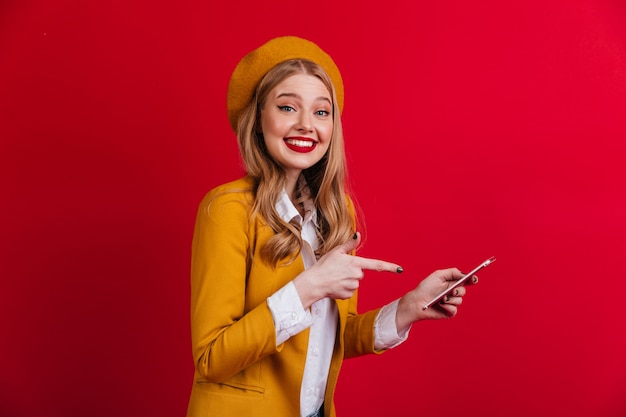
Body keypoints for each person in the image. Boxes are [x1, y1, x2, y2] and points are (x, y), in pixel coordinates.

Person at [186, 36, 478, 417]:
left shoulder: (336, 214)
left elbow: (328, 338)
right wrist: (307, 288)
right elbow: (212, 358)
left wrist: (408, 308)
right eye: (287, 107)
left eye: (321, 112)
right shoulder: (227, 209)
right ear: (258, 120)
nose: (306, 125)